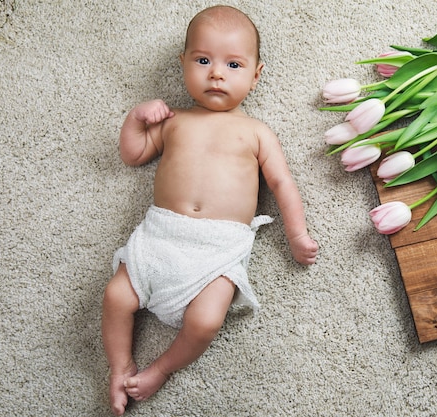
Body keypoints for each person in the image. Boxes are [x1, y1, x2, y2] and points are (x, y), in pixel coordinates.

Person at [101, 5, 319, 416]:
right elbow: (133, 156)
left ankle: (162, 369)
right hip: (161, 235)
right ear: (183, 63)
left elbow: (282, 184)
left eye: (233, 64)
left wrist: (296, 234)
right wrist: (135, 120)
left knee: (204, 323)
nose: (216, 73)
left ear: (256, 75)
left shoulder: (256, 132)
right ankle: (119, 368)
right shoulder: (172, 120)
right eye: (203, 60)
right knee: (115, 296)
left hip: (217, 247)